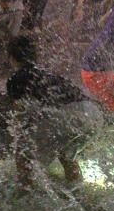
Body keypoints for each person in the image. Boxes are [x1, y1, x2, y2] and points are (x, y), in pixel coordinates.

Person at [6, 36, 102, 187]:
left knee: (22, 151)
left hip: (69, 115)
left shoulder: (16, 78)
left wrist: (15, 143)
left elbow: (18, 116)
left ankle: (25, 193)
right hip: (92, 114)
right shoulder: (46, 73)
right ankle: (77, 188)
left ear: (11, 58)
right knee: (66, 152)